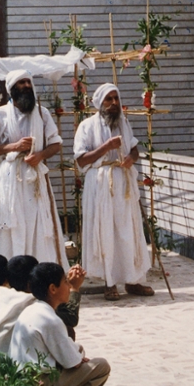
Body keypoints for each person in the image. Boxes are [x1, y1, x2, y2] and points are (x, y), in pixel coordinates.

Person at [0, 69, 68, 268]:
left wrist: (40, 155)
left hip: (35, 176)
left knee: (37, 222)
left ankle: (39, 274)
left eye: (28, 83)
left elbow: (55, 143)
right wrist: (14, 146)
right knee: (12, 224)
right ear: (12, 89)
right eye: (21, 83)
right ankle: (11, 274)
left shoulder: (42, 114)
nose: (26, 87)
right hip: (11, 176)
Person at [73, 83, 154, 301]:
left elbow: (134, 147)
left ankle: (132, 280)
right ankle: (109, 282)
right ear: (100, 103)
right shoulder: (87, 126)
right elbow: (81, 160)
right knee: (105, 231)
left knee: (128, 231)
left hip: (123, 182)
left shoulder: (123, 123)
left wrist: (132, 158)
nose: (114, 103)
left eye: (116, 98)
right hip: (100, 183)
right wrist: (106, 147)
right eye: (109, 99)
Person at [9, 262, 110, 386]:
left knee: (77, 349)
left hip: (21, 380)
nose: (69, 286)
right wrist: (78, 357)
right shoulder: (50, 320)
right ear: (53, 289)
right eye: (65, 282)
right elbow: (73, 363)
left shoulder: (32, 309)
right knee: (101, 366)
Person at [0, 256, 85, 357]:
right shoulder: (31, 302)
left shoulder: (3, 296)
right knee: (68, 331)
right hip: (12, 365)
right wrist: (73, 288)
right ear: (31, 283)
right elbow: (70, 318)